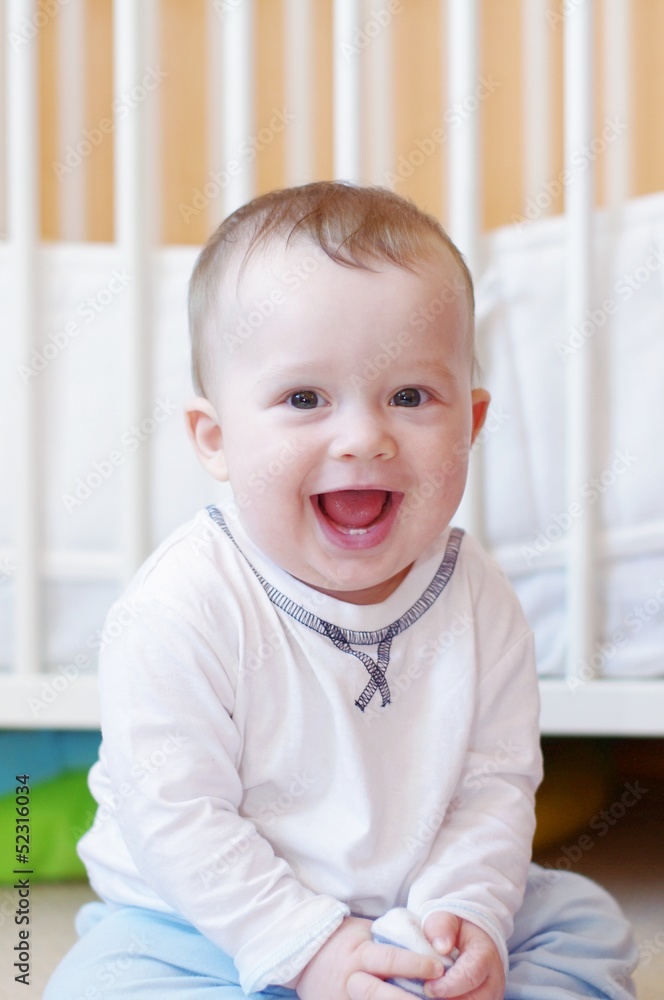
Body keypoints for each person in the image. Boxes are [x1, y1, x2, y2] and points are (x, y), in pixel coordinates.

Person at [45, 182, 636, 1000]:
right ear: (215, 440)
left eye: (409, 397)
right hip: (203, 924)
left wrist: (461, 913)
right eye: (304, 400)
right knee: (101, 985)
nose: (364, 437)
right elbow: (178, 819)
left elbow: (492, 785)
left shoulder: (478, 596)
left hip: (413, 901)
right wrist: (307, 948)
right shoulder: (182, 606)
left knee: (582, 919)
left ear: (472, 420)